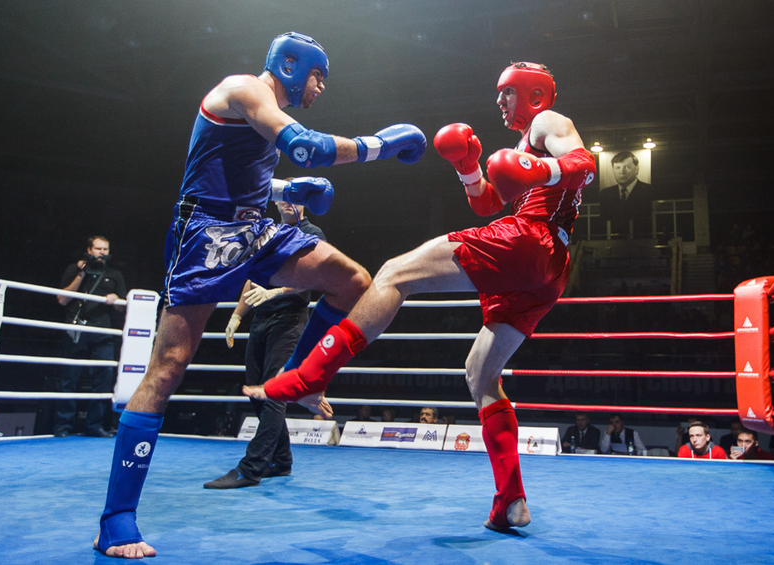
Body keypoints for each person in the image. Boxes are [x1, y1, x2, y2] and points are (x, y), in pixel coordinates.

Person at [94, 32, 425, 558]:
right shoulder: (245, 89)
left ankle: (299, 379)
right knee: (168, 367)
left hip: (254, 228)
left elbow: (236, 166)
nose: (320, 87)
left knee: (354, 281)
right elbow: (305, 147)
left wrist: (286, 190)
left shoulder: (259, 107)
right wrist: (379, 146)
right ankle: (116, 520)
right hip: (205, 232)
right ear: (292, 65)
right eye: (317, 76)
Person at [245, 61, 597, 532]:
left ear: (533, 93)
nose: (499, 101)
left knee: (393, 273)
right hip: (548, 271)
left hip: (529, 240)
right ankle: (511, 501)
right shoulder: (522, 141)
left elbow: (585, 166)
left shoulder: (549, 122)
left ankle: (311, 374)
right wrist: (467, 167)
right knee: (480, 374)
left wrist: (540, 166)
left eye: (507, 92)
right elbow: (489, 202)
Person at [204, 200, 326, 490]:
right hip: (261, 318)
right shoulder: (269, 232)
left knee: (273, 392)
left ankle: (251, 468)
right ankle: (281, 460)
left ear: (304, 201)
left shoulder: (312, 233)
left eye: (292, 195)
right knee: (253, 389)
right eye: (282, 195)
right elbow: (252, 276)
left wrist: (277, 292)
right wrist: (236, 316)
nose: (285, 201)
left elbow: (316, 275)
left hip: (290, 319)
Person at [55, 235, 127, 438]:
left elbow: (123, 307)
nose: (102, 253)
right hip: (75, 329)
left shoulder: (115, 274)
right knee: (69, 378)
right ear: (89, 250)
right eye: (98, 249)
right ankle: (63, 426)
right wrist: (81, 274)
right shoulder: (74, 269)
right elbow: (62, 299)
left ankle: (95, 425)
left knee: (104, 378)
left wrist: (116, 299)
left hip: (102, 332)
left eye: (105, 249)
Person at [598, 151, 652, 238]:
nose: (622, 172)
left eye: (627, 167)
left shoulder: (649, 191)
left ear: (637, 169)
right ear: (613, 170)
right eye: (617, 167)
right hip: (613, 241)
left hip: (642, 240)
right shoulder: (606, 194)